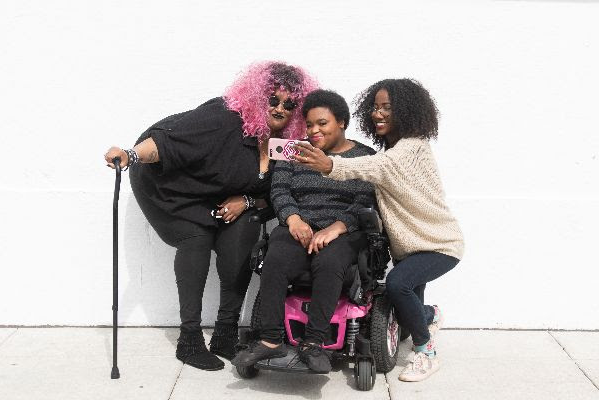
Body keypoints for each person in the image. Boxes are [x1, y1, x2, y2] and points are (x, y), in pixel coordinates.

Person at [103, 61, 318, 371]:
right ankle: (189, 340)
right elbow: (167, 142)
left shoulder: (284, 145)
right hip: (167, 185)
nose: (281, 108)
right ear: (258, 96)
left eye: (290, 103)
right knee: (197, 238)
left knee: (245, 234)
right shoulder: (224, 119)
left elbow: (278, 193)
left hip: (218, 194)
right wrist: (130, 155)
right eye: (273, 98)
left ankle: (225, 334)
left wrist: (246, 201)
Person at [294, 79, 464, 382]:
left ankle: (426, 353)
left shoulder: (410, 149)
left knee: (397, 285)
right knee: (406, 316)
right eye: (375, 107)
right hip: (410, 247)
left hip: (438, 244)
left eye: (387, 107)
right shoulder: (394, 147)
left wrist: (329, 165)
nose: (378, 113)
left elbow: (375, 167)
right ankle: (428, 316)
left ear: (408, 111)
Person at [232, 89, 376, 373]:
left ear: (342, 122)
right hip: (300, 226)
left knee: (330, 261)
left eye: (322, 123)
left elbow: (366, 198)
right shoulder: (293, 152)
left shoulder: (364, 156)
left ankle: (314, 343)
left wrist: (338, 227)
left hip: (343, 231)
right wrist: (294, 219)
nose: (314, 130)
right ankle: (271, 340)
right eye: (309, 124)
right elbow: (280, 190)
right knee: (276, 258)